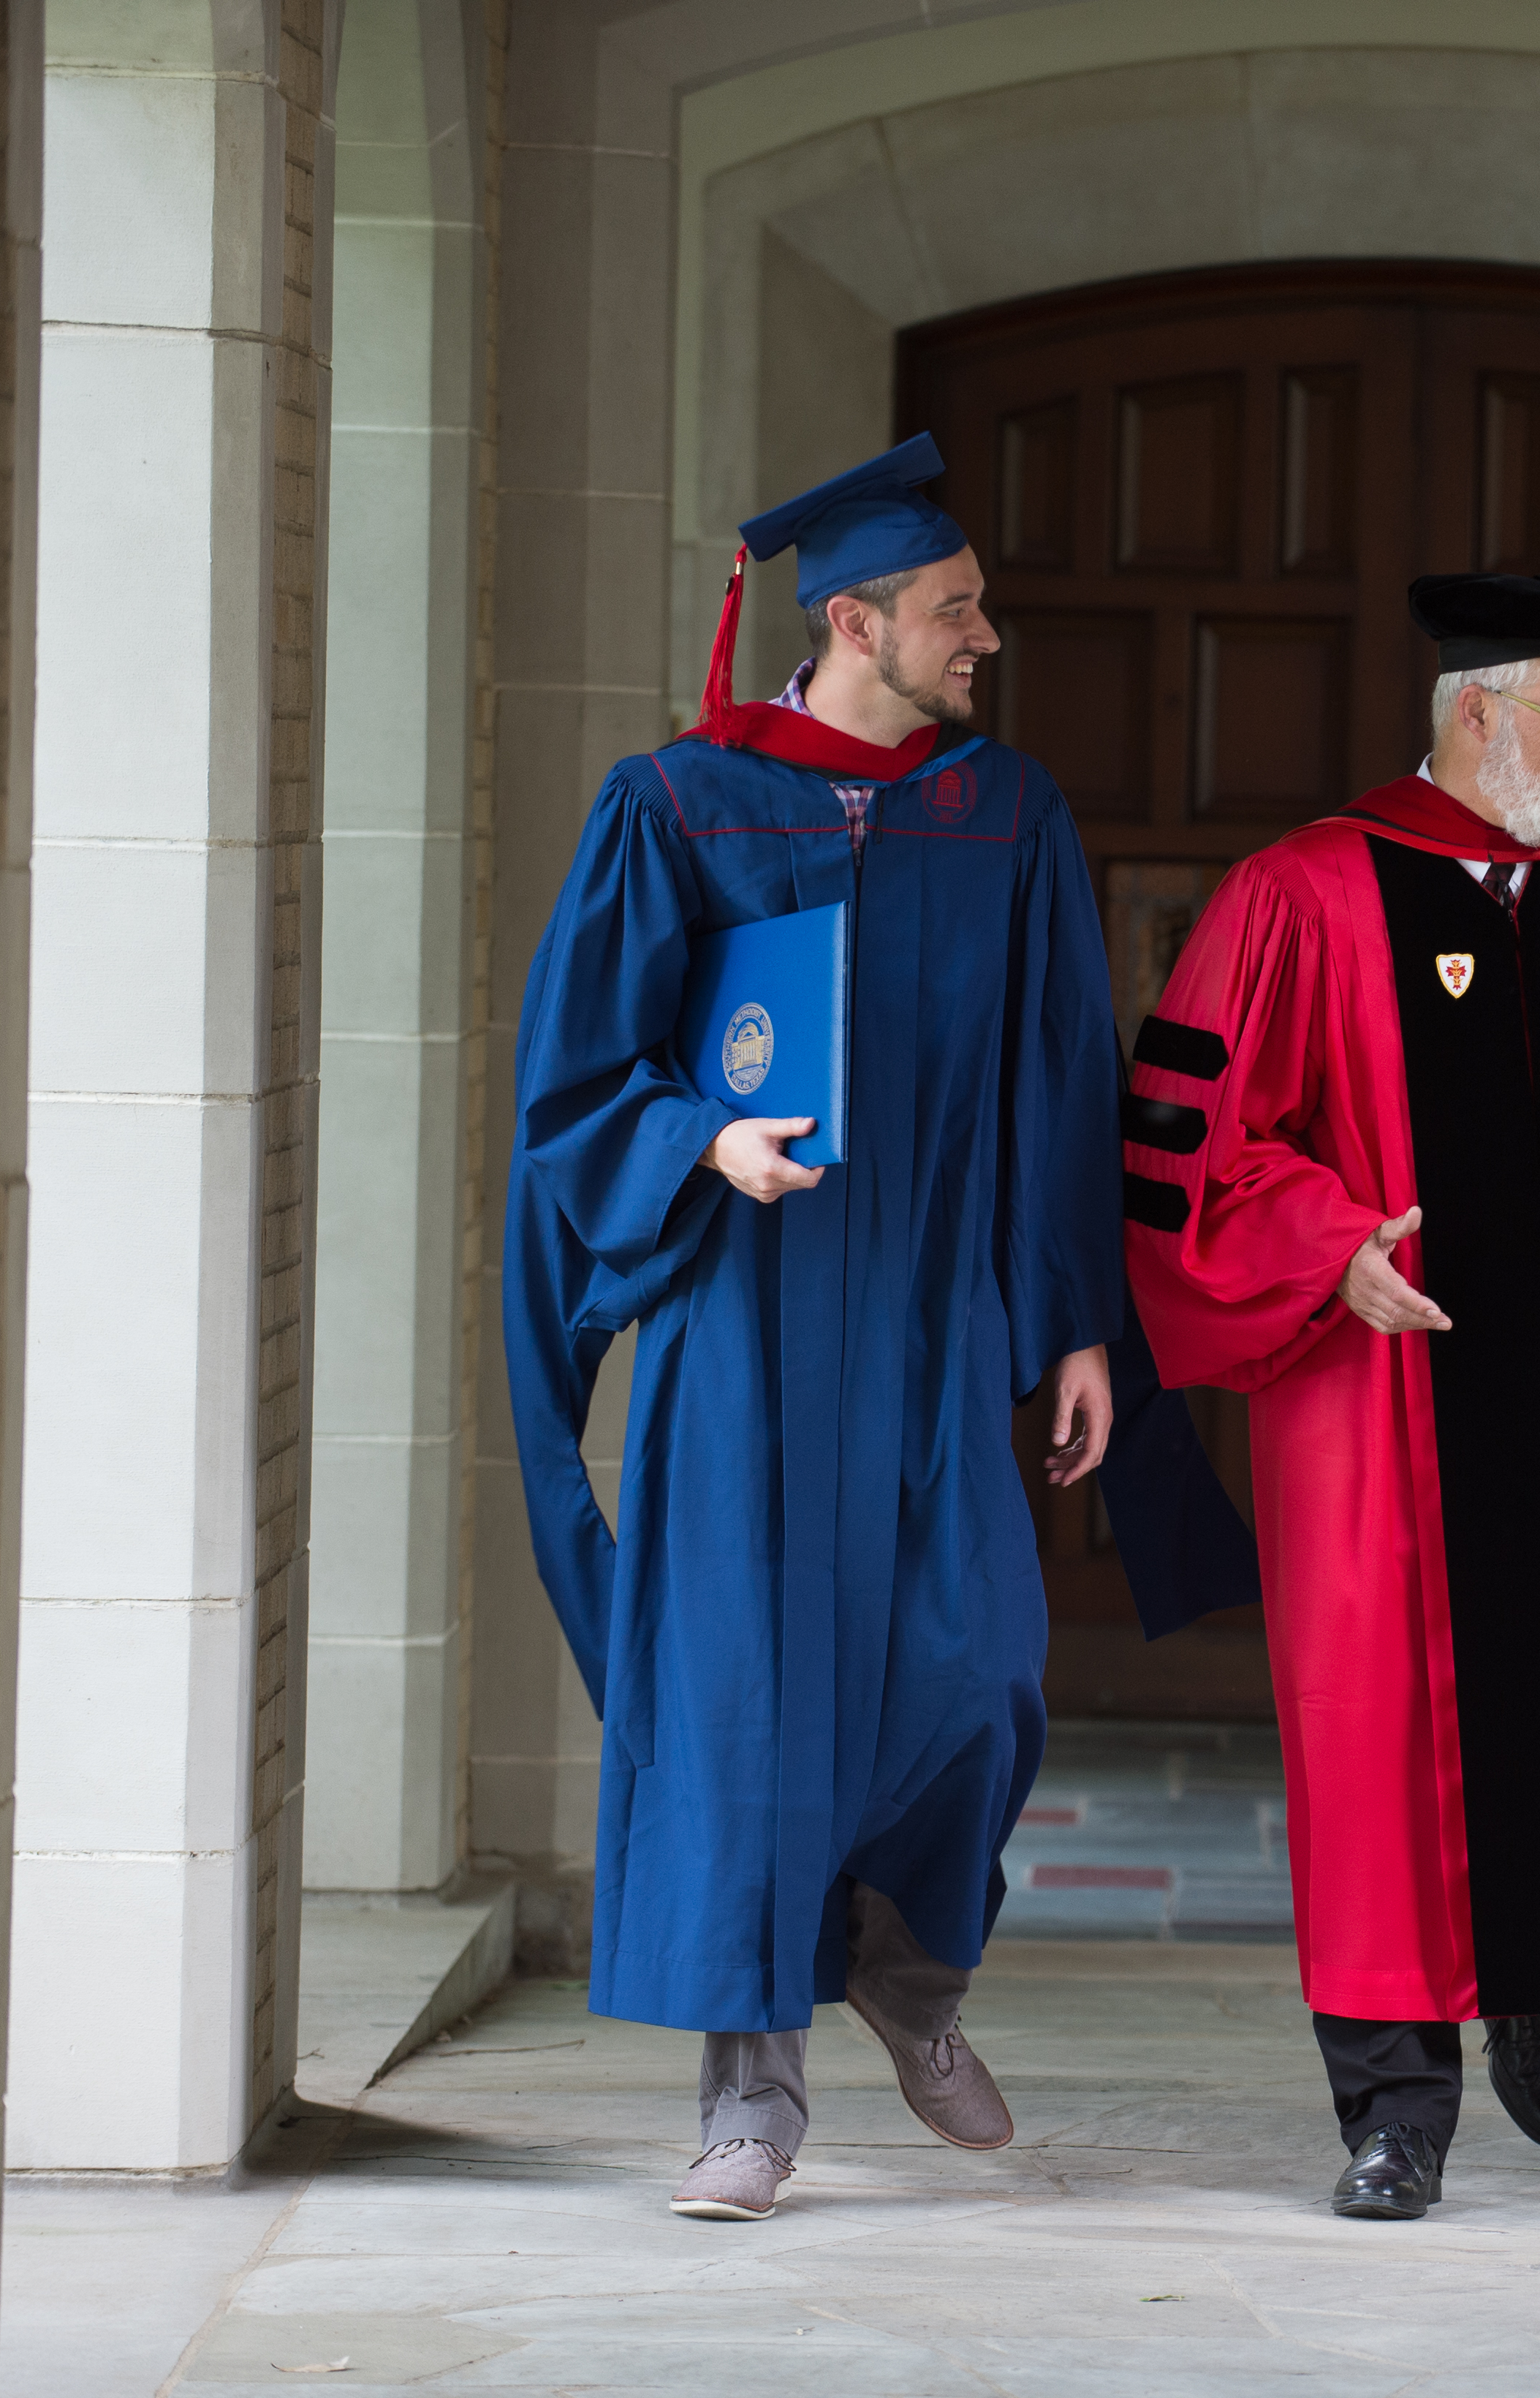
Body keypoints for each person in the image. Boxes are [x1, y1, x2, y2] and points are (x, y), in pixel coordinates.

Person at [502, 435, 1125, 2222]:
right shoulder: (682, 803)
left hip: (933, 1313)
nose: (984, 636)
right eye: (956, 608)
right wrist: (706, 1137)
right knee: (742, 1699)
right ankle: (747, 2094)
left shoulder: (1003, 812)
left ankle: (905, 1970)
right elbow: (577, 1078)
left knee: (981, 1664)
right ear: (854, 620)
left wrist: (1076, 1322)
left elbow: (1059, 1082)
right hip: (748, 1318)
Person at [1120, 574, 1540, 2220]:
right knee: (1375, 1742)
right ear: (1475, 711)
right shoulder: (1305, 891)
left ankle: (1528, 1980)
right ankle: (1392, 2099)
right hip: (1380, 1406)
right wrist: (1330, 1244)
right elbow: (1191, 1138)